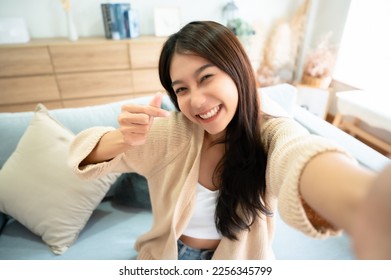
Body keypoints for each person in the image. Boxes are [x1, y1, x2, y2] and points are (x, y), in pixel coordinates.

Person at [69, 21, 390, 260]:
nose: (195, 100)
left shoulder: (271, 133)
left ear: (237, 71)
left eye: (206, 78)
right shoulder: (171, 131)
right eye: (181, 89)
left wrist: (366, 204)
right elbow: (83, 159)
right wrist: (122, 139)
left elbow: (298, 156)